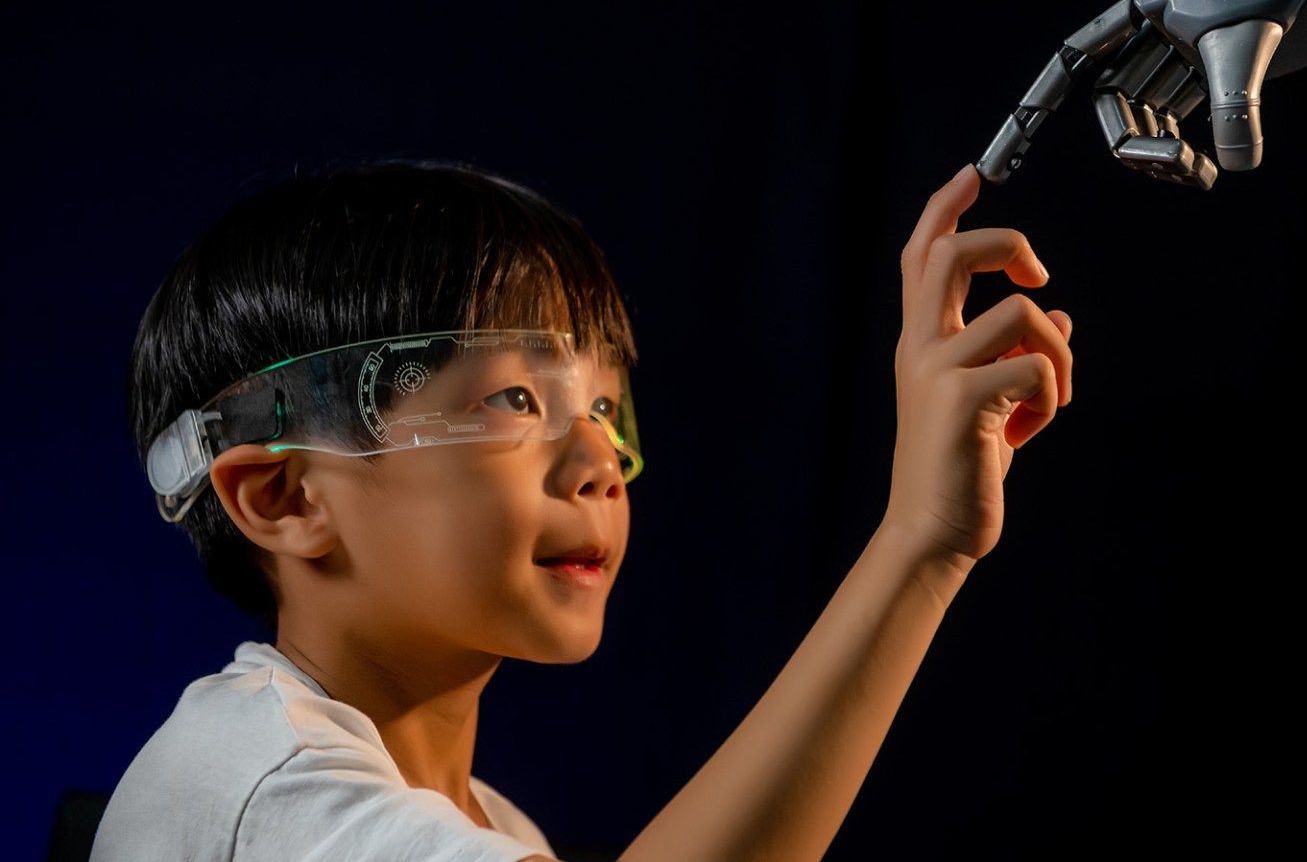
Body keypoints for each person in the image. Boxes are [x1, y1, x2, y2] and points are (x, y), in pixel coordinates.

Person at [92, 158, 1073, 861]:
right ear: (287, 495)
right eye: (513, 397)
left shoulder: (496, 830)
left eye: (605, 406)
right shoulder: (259, 783)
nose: (602, 458)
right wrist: (916, 541)